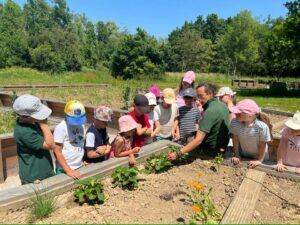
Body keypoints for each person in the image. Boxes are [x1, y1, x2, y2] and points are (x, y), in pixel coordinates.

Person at [167, 82, 230, 161]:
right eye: (197, 96)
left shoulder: (210, 111)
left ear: (210, 94)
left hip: (210, 150)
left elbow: (198, 140)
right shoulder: (222, 105)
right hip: (222, 146)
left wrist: (178, 153)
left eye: (201, 96)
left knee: (188, 138)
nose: (199, 99)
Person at [13, 94, 56, 184]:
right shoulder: (24, 132)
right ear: (27, 116)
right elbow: (51, 145)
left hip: (42, 173)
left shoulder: (31, 123)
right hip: (36, 178)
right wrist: (44, 123)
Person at [229, 99, 272, 168]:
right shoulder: (235, 122)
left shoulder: (261, 127)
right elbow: (235, 139)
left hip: (261, 157)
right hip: (243, 155)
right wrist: (236, 155)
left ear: (249, 115)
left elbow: (262, 145)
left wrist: (259, 160)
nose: (235, 114)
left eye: (238, 113)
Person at [53, 100, 87, 179]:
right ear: (66, 114)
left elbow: (81, 143)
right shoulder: (61, 128)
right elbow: (56, 151)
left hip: (79, 165)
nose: (77, 122)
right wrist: (68, 170)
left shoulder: (81, 125)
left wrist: (83, 159)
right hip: (65, 168)